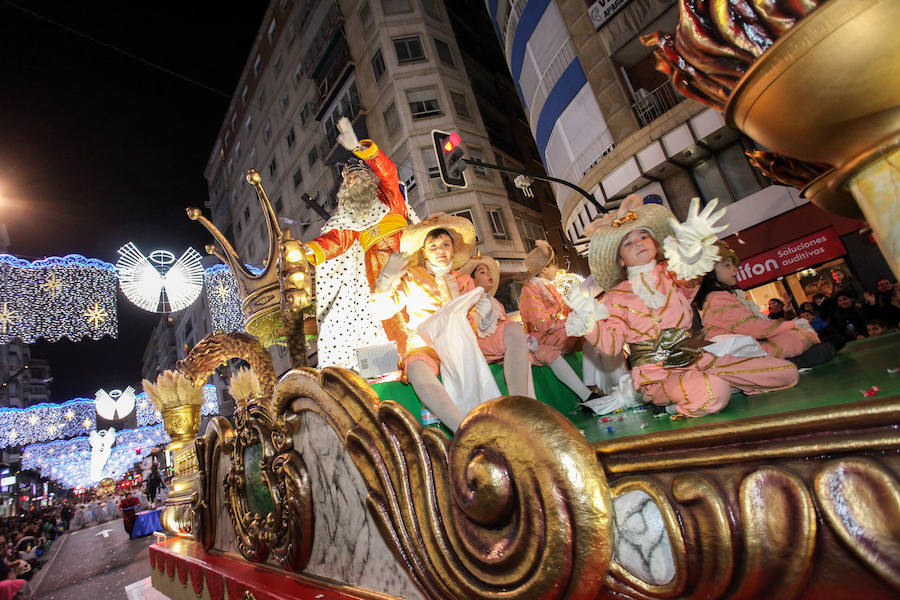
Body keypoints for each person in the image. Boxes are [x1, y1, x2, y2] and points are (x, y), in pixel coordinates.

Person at [565, 196, 798, 417]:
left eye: (643, 236)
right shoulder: (615, 297)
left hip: (697, 357)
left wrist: (693, 251)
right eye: (628, 242)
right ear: (620, 260)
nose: (638, 243)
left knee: (785, 372)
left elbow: (691, 278)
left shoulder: (673, 272)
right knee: (713, 393)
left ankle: (723, 382)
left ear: (655, 243)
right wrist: (589, 322)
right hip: (655, 375)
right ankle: (670, 407)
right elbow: (612, 344)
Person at [302, 117, 417, 371]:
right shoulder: (350, 219)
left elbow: (388, 172)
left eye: (356, 176)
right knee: (387, 330)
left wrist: (360, 150)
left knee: (420, 321)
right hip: (374, 277)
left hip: (408, 264)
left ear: (368, 179)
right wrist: (305, 252)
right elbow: (336, 241)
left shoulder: (389, 198)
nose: (352, 182)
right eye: (348, 180)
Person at [371, 214, 493, 431]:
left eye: (446, 244)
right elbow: (382, 309)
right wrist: (387, 278)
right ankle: (463, 430)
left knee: (512, 332)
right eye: (433, 245)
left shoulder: (465, 281)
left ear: (453, 250)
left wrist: (484, 315)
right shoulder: (413, 277)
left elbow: (477, 321)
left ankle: (527, 411)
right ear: (424, 252)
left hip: (465, 343)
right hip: (427, 345)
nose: (440, 250)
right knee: (417, 368)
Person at [694, 242, 835, 368]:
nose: (735, 269)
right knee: (797, 336)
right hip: (738, 351)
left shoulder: (718, 297)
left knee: (798, 336)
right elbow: (752, 327)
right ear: (710, 271)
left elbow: (754, 326)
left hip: (744, 346)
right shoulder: (717, 298)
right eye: (727, 265)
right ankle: (790, 363)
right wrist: (792, 324)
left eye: (734, 265)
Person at [517, 241, 606, 406]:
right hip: (542, 339)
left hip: (560, 332)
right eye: (553, 266)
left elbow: (564, 312)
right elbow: (542, 323)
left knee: (592, 331)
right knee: (585, 328)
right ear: (543, 270)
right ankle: (586, 395)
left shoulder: (552, 286)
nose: (556, 270)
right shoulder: (530, 289)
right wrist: (570, 321)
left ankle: (589, 387)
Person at [461, 254, 535, 398]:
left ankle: (530, 402)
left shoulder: (496, 303)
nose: (488, 274)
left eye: (488, 272)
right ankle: (522, 402)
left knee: (523, 353)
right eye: (482, 272)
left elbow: (506, 324)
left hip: (500, 342)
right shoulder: (469, 303)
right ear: (471, 280)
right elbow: (474, 330)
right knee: (513, 332)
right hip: (480, 345)